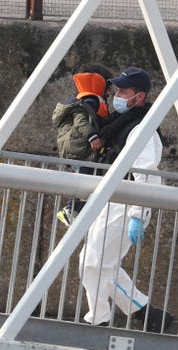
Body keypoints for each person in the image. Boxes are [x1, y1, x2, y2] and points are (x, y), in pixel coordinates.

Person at [78, 66, 174, 333]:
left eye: (124, 91)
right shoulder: (122, 126)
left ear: (140, 97)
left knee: (95, 263)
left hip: (126, 203)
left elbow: (145, 175)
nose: (117, 95)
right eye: (117, 90)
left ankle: (99, 319)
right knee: (94, 261)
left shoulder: (142, 130)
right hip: (112, 201)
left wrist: (137, 216)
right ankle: (147, 313)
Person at [52, 63, 114, 227]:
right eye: (109, 87)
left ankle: (74, 209)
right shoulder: (90, 100)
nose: (110, 92)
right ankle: (70, 210)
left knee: (86, 181)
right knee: (86, 180)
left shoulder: (85, 98)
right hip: (80, 148)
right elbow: (81, 120)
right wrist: (93, 136)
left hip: (72, 149)